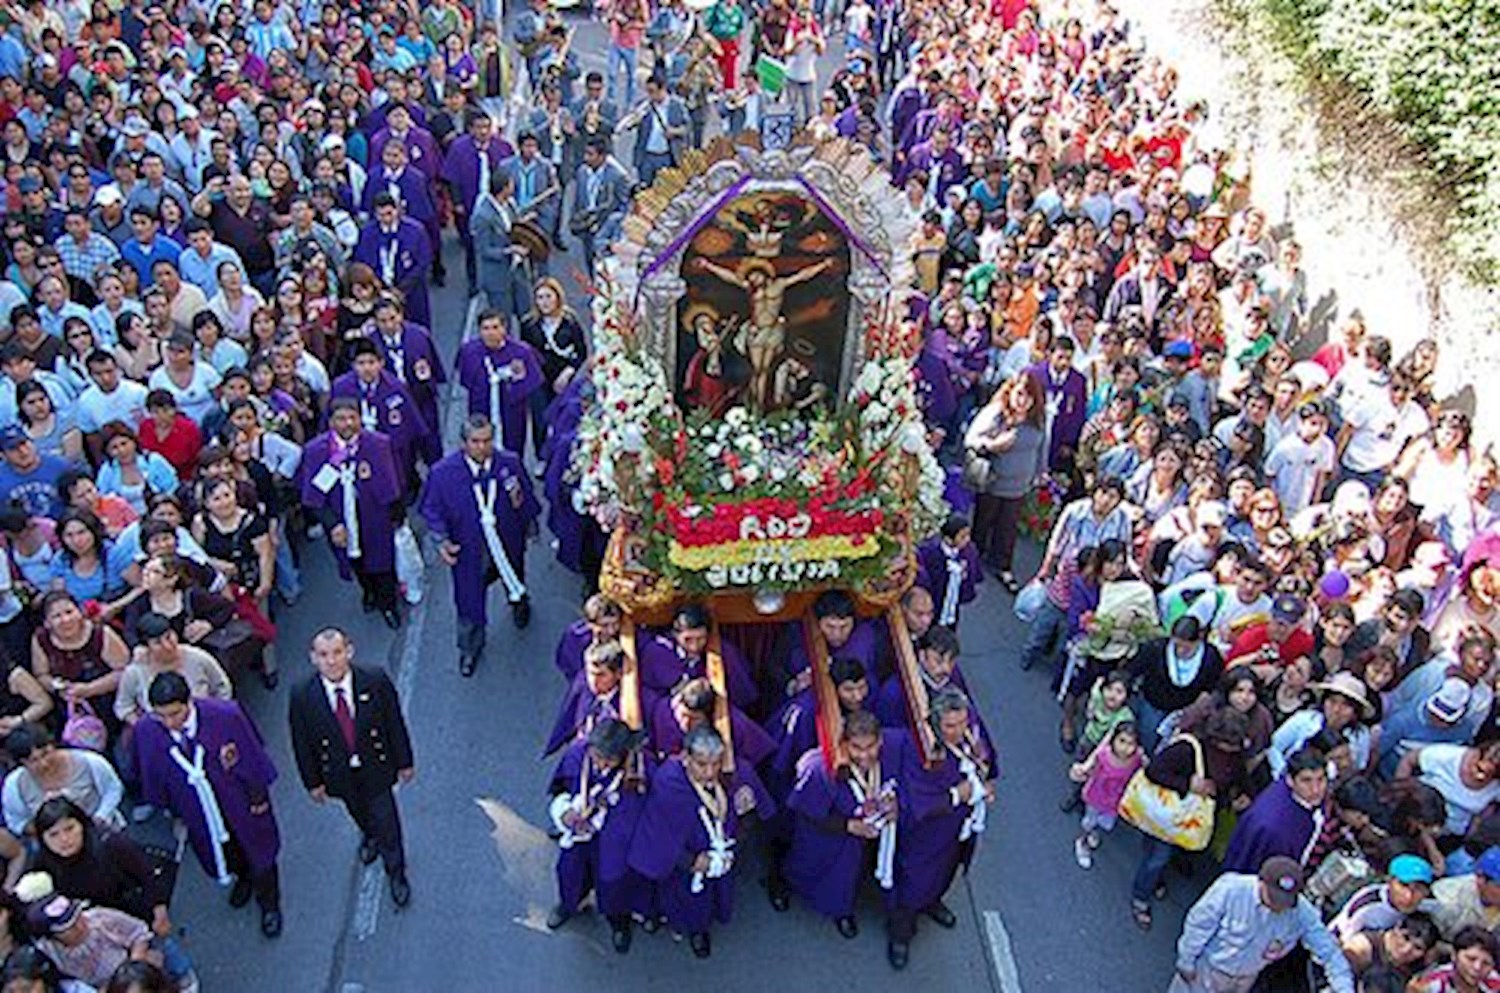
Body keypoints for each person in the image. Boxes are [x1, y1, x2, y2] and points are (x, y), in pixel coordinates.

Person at [134, 671, 283, 938]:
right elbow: (152, 771)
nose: (169, 722)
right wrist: (172, 810)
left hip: (237, 802)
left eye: (175, 713)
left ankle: (269, 903)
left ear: (189, 702)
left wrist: (258, 798)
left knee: (258, 850)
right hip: (197, 810)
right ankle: (243, 878)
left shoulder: (225, 715)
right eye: (161, 715)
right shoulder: (148, 730)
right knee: (224, 852)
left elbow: (251, 755)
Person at [289, 627, 414, 909]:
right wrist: (313, 782)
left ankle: (396, 871)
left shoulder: (374, 679)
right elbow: (301, 742)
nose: (331, 661)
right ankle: (370, 836)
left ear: (349, 651)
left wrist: (404, 761)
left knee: (387, 820)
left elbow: (394, 723)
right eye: (323, 655)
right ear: (313, 658)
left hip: (376, 766)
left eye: (336, 653)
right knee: (357, 809)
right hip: (338, 773)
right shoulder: (302, 694)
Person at [419, 415, 540, 676]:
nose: (482, 447)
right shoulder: (443, 474)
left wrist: (530, 525)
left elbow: (524, 495)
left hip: (507, 541)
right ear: (464, 443)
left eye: (487, 441)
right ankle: (470, 648)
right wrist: (441, 539)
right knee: (469, 599)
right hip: (470, 549)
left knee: (514, 575)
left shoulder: (508, 463)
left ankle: (519, 602)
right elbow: (431, 509)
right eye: (475, 441)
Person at [888, 686, 993, 970]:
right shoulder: (919, 750)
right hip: (927, 837)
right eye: (950, 725)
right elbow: (918, 803)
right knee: (913, 883)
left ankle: (932, 902)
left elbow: (984, 762)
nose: (958, 731)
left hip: (957, 829)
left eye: (962, 723)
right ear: (935, 722)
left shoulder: (968, 736)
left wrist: (983, 785)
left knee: (948, 871)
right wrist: (959, 794)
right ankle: (901, 935)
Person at [627, 724, 739, 959]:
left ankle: (700, 928)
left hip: (714, 853)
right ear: (686, 757)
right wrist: (689, 861)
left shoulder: (724, 779)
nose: (710, 772)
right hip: (683, 861)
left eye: (716, 763)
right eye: (702, 764)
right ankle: (687, 928)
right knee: (682, 898)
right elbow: (659, 831)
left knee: (707, 898)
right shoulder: (669, 782)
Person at [1171, 855, 1355, 993]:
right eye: (1273, 898)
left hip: (1244, 979)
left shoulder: (1302, 913)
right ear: (1261, 881)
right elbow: (1198, 925)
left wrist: (1344, 988)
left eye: (1284, 902)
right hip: (1207, 970)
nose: (1277, 906)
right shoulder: (1231, 889)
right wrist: (1186, 961)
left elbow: (1329, 952)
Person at [297, 399, 404, 629]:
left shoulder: (377, 444)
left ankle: (388, 603)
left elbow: (392, 481)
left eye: (352, 418)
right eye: (340, 419)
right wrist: (332, 524)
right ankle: (368, 591)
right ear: (331, 422)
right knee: (355, 560)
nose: (347, 424)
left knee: (382, 560)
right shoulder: (317, 451)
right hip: (340, 518)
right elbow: (314, 496)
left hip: (373, 515)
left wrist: (396, 515)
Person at [547, 717, 651, 952]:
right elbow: (559, 789)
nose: (602, 764)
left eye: (610, 759)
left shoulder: (638, 775)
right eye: (597, 756)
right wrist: (564, 813)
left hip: (615, 843)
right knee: (569, 871)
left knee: (613, 883)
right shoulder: (576, 755)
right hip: (581, 835)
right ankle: (569, 904)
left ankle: (618, 922)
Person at [453, 309, 544, 457]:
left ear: (504, 328)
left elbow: (532, 382)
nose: (491, 333)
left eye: (495, 327)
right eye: (486, 328)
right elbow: (465, 379)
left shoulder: (521, 352)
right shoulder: (468, 352)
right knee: (480, 448)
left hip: (512, 413)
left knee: (513, 447)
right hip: (481, 410)